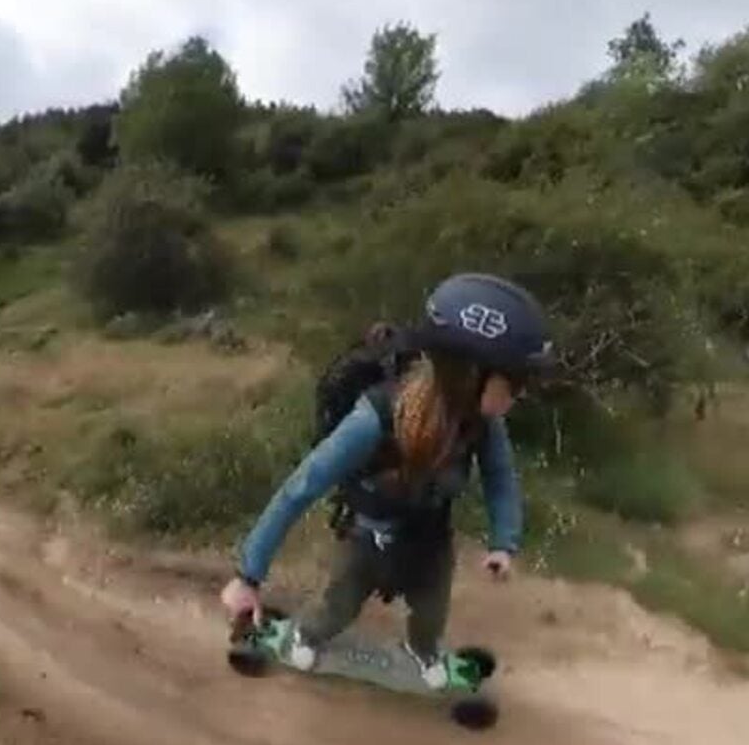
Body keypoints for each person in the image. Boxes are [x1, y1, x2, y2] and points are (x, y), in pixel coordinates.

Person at [219, 272, 555, 689]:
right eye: (515, 382)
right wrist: (248, 577)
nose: (520, 393)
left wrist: (504, 543)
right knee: (338, 605)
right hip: (367, 535)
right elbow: (302, 486)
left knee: (431, 613)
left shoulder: (483, 425)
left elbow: (500, 479)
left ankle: (424, 651)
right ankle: (306, 635)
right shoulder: (377, 416)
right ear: (470, 374)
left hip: (430, 540)